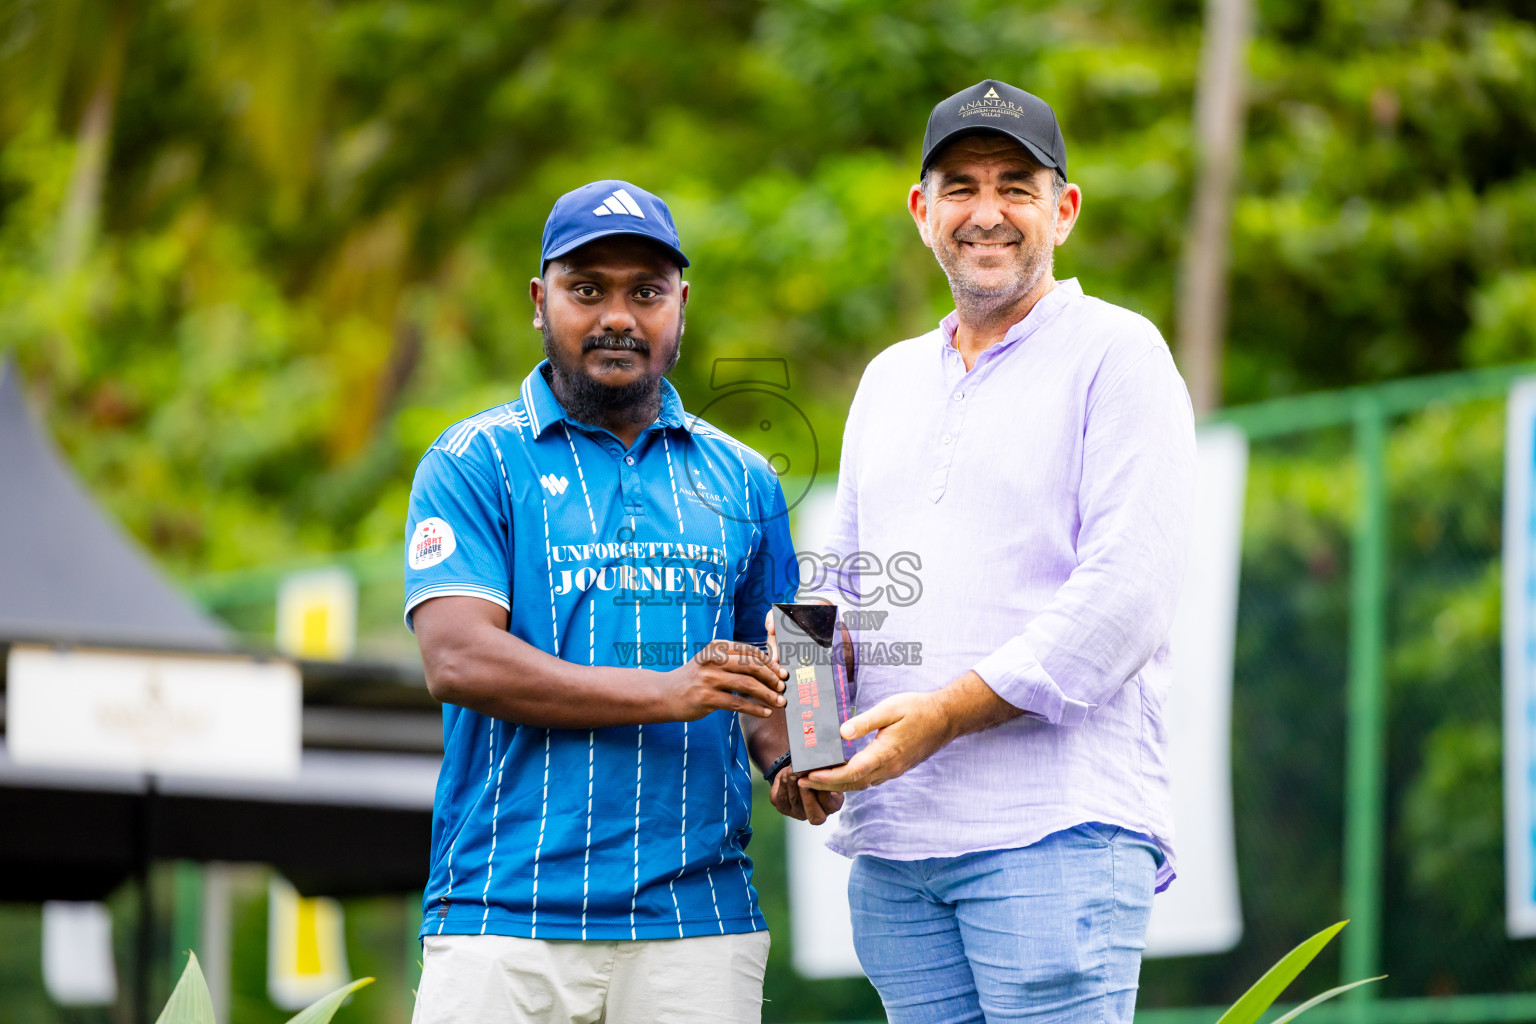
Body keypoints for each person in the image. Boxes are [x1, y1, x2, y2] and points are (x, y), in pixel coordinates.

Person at [796, 80, 1198, 1023]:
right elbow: (837, 591)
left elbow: (1123, 600)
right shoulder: (888, 380)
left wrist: (941, 715)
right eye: (961, 186)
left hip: (1054, 833)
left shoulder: (1120, 355)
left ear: (1063, 210)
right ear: (921, 211)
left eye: (1016, 186)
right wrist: (802, 743)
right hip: (896, 848)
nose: (987, 213)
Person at [404, 179, 805, 1024]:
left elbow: (769, 675)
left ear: (681, 307)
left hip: (698, 925)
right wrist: (669, 694)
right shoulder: (473, 461)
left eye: (645, 292)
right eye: (586, 290)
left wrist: (797, 761)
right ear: (538, 302)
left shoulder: (747, 478)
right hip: (503, 919)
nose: (617, 316)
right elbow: (458, 659)